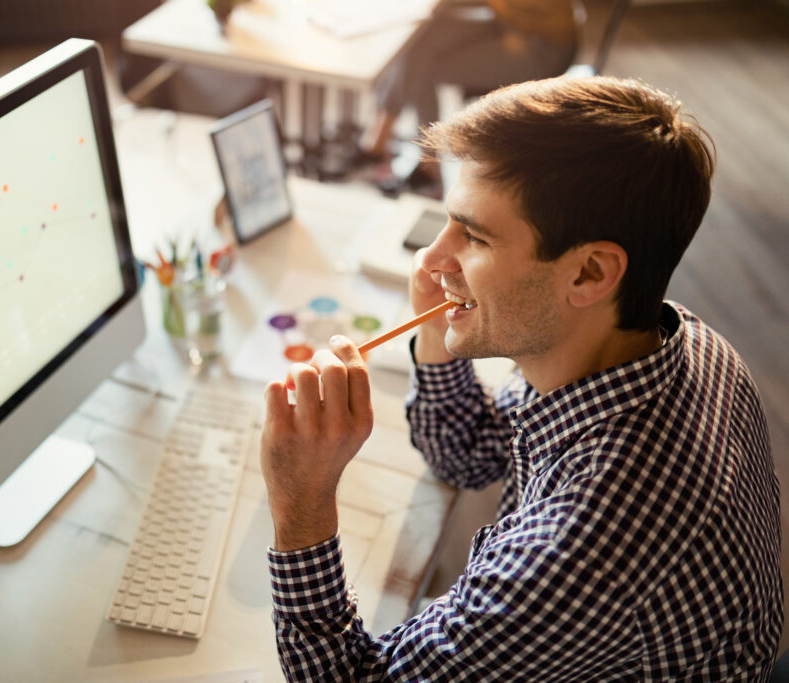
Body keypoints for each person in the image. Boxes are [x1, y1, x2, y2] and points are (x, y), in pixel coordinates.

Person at [260, 76, 783, 680]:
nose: (430, 260)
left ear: (589, 272)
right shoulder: (671, 344)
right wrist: (441, 324)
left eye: (474, 236)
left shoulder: (585, 551)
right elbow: (468, 455)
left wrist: (300, 501)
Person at [360, 0, 579, 195]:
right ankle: (383, 136)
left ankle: (423, 163)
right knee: (420, 40)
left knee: (424, 65)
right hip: (506, 23)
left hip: (540, 44)